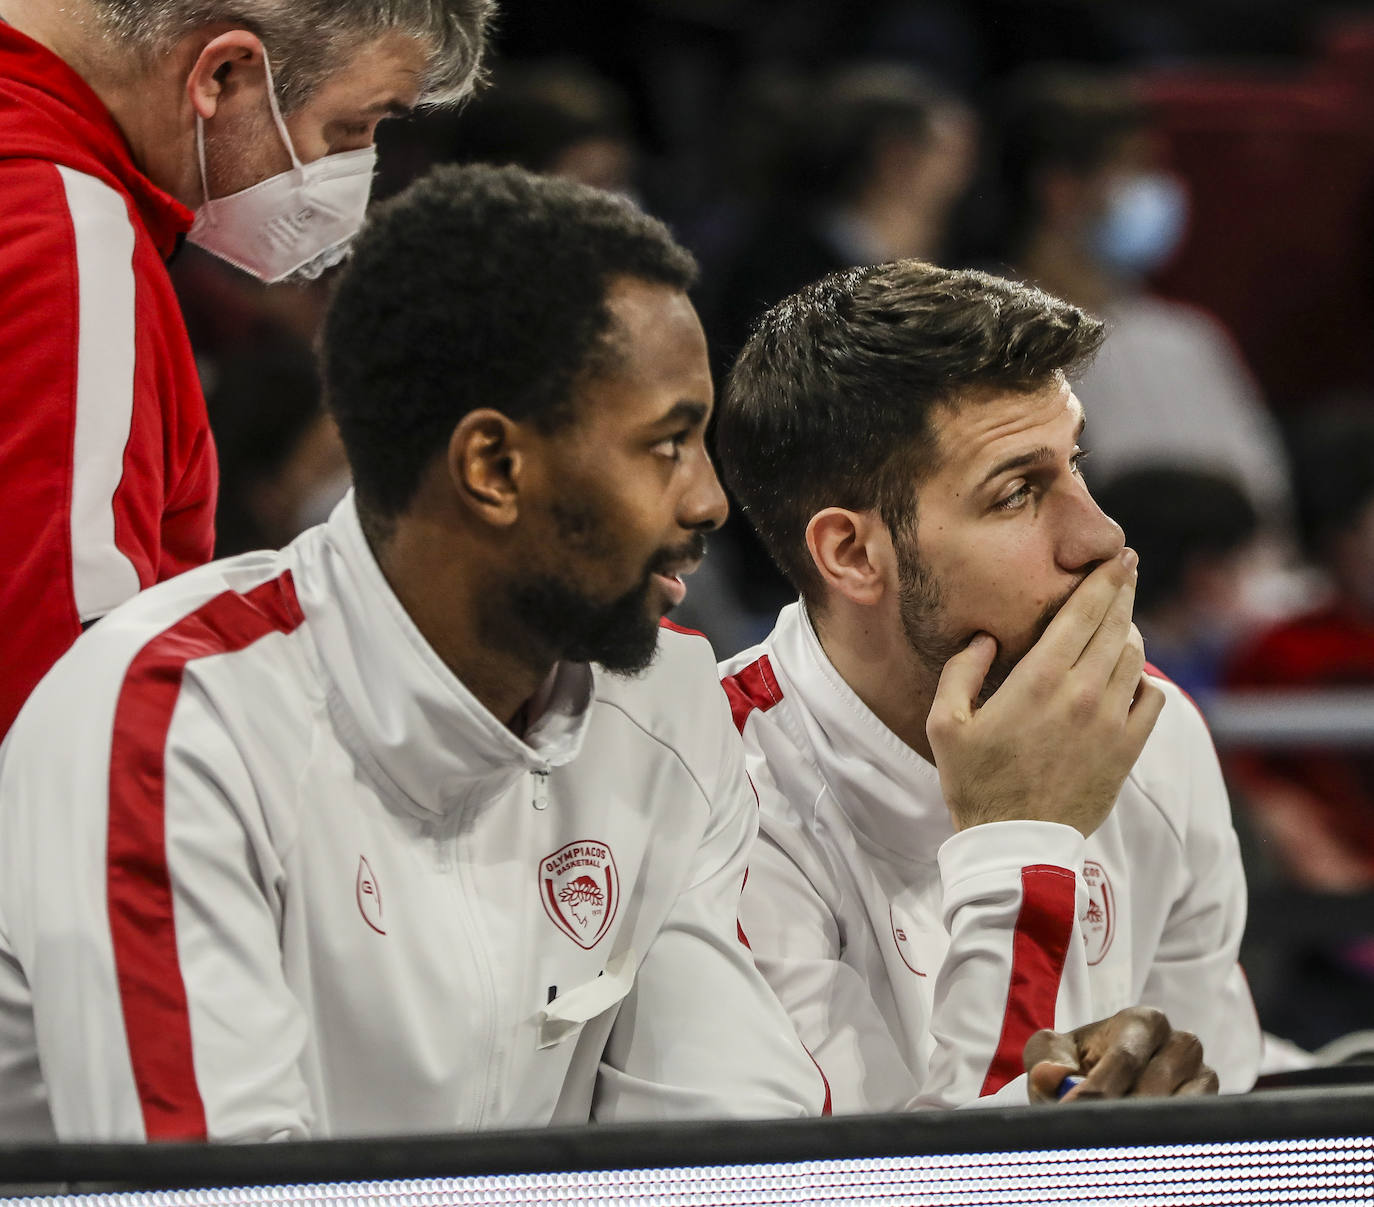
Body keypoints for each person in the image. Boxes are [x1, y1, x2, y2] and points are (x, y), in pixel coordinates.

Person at [0, 164, 828, 1141]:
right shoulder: (171, 721)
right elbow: (214, 1199)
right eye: (668, 444)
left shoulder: (669, 702)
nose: (708, 501)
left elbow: (730, 1144)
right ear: (492, 467)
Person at [715, 260, 1262, 1113]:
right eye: (1017, 493)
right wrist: (1023, 841)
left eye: (1073, 462)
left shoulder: (1153, 729)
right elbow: (953, 1188)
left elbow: (1229, 1152)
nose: (1100, 535)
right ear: (853, 554)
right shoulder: (713, 798)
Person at [0, 0, 493, 738]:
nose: (353, 173)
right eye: (351, 128)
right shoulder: (64, 244)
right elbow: (57, 720)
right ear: (223, 73)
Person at [995, 68, 1292, 527]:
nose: (1157, 191)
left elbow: (1267, 496)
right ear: (1061, 189)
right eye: (1134, 168)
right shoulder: (996, 337)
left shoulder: (1188, 336)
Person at [1093, 466, 1264, 701]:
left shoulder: (1219, 655)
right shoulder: (1113, 665)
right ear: (1199, 569)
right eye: (1232, 562)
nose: (1241, 577)